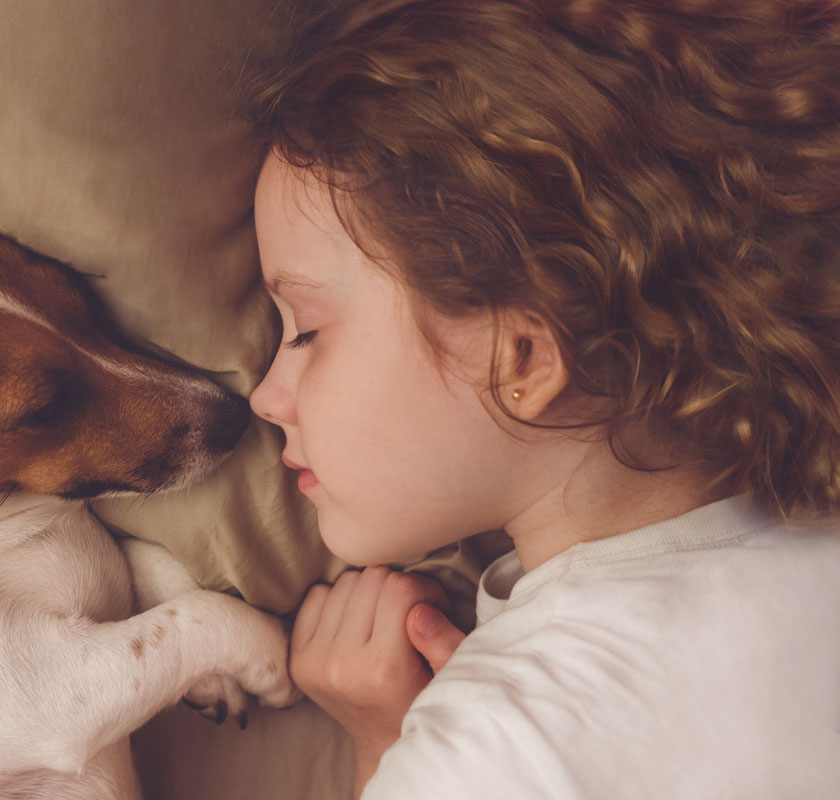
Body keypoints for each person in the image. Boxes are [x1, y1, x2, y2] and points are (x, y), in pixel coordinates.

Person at [245, 1, 840, 796]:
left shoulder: (489, 752)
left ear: (518, 357)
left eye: (307, 331)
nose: (263, 395)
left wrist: (386, 743)